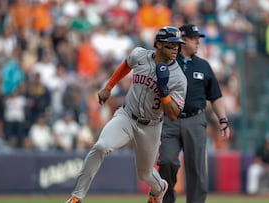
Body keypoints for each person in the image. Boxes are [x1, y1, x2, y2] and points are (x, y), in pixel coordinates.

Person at [65, 26, 187, 203]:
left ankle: (159, 188)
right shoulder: (140, 55)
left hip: (151, 125)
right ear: (158, 44)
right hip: (127, 116)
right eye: (171, 44)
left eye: (178, 45)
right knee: (101, 146)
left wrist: (165, 93)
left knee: (145, 174)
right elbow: (125, 65)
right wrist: (108, 87)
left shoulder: (179, 77)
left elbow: (174, 115)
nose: (175, 48)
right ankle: (77, 196)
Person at [157, 24, 231, 203]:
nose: (198, 42)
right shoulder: (167, 63)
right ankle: (167, 199)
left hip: (195, 119)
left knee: (197, 168)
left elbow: (215, 96)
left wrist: (223, 120)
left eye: (198, 38)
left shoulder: (203, 65)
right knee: (167, 161)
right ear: (182, 40)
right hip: (169, 119)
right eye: (193, 38)